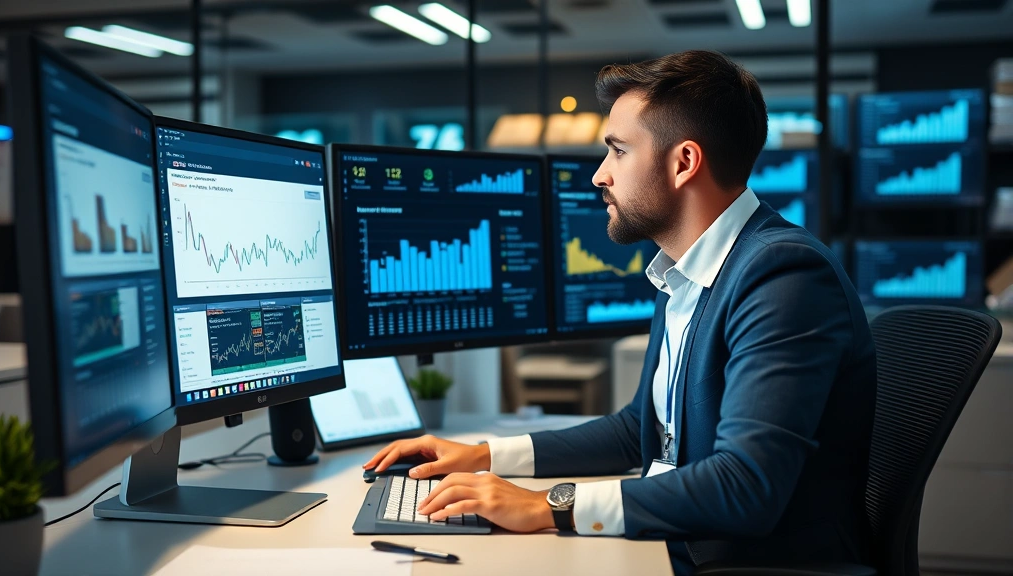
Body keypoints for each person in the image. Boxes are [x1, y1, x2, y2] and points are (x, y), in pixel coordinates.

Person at [364, 50, 877, 575]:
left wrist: (547, 506)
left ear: (684, 163)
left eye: (618, 151)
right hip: (687, 543)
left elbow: (745, 485)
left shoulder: (783, 275)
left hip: (743, 562)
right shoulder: (687, 268)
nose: (599, 176)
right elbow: (637, 432)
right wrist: (484, 456)